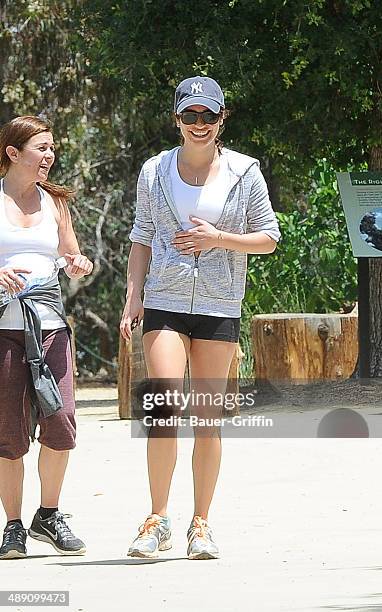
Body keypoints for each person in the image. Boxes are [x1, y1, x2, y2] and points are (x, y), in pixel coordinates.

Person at [120, 76, 281, 560]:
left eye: (208, 116)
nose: (199, 125)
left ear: (222, 118)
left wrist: (218, 239)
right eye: (190, 116)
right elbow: (142, 236)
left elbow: (269, 237)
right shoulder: (155, 170)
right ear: (176, 120)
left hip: (219, 305)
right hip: (165, 302)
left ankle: (201, 524)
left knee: (207, 421)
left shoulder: (245, 172)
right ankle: (156, 518)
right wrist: (133, 296)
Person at [0, 116, 93, 559]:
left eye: (52, 147)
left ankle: (49, 515)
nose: (50, 156)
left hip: (51, 329)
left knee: (61, 422)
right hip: (5, 332)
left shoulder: (55, 202)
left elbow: (70, 253)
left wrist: (78, 264)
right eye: (41, 148)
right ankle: (13, 526)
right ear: (13, 152)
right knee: (9, 434)